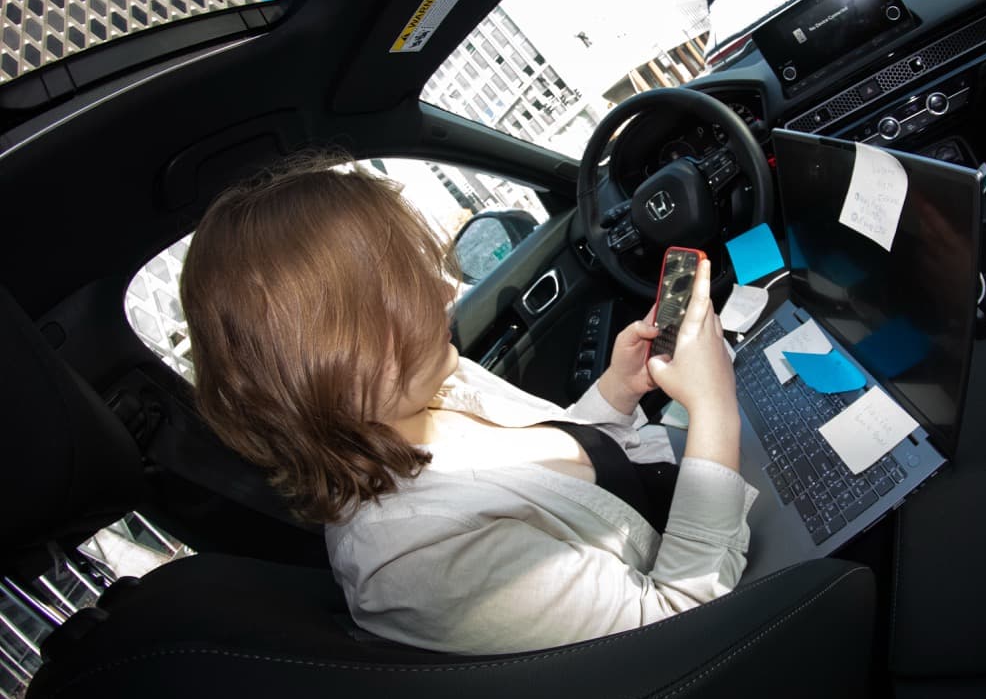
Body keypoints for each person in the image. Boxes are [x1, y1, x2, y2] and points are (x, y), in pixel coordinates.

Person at [179, 156, 756, 655]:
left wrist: (617, 390)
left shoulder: (431, 386)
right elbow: (679, 625)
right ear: (324, 351)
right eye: (401, 289)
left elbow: (568, 484)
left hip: (693, 519)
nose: (442, 289)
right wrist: (714, 407)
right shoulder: (410, 560)